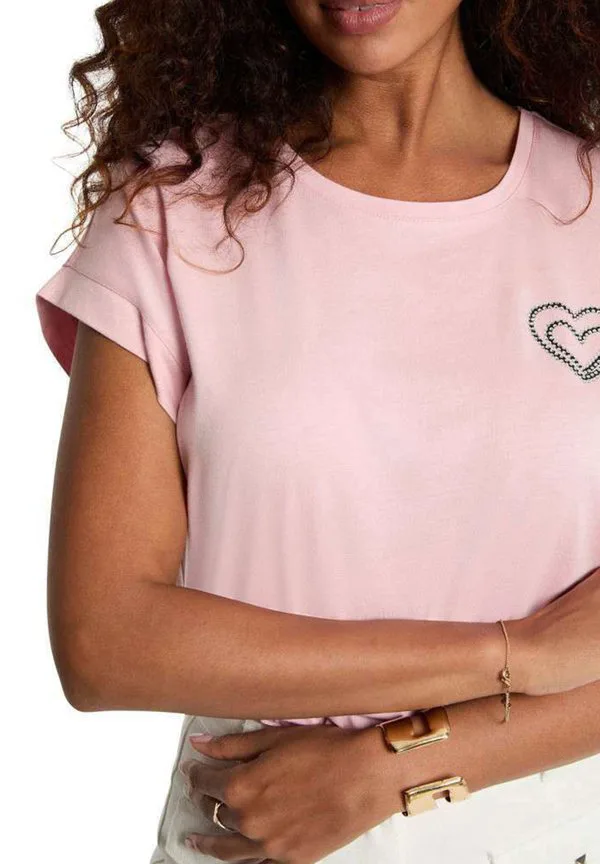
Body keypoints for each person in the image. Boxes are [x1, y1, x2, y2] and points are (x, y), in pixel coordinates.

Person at [34, 0, 600, 862]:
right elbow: (103, 642)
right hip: (256, 828)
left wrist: (389, 771)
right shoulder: (170, 210)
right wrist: (514, 655)